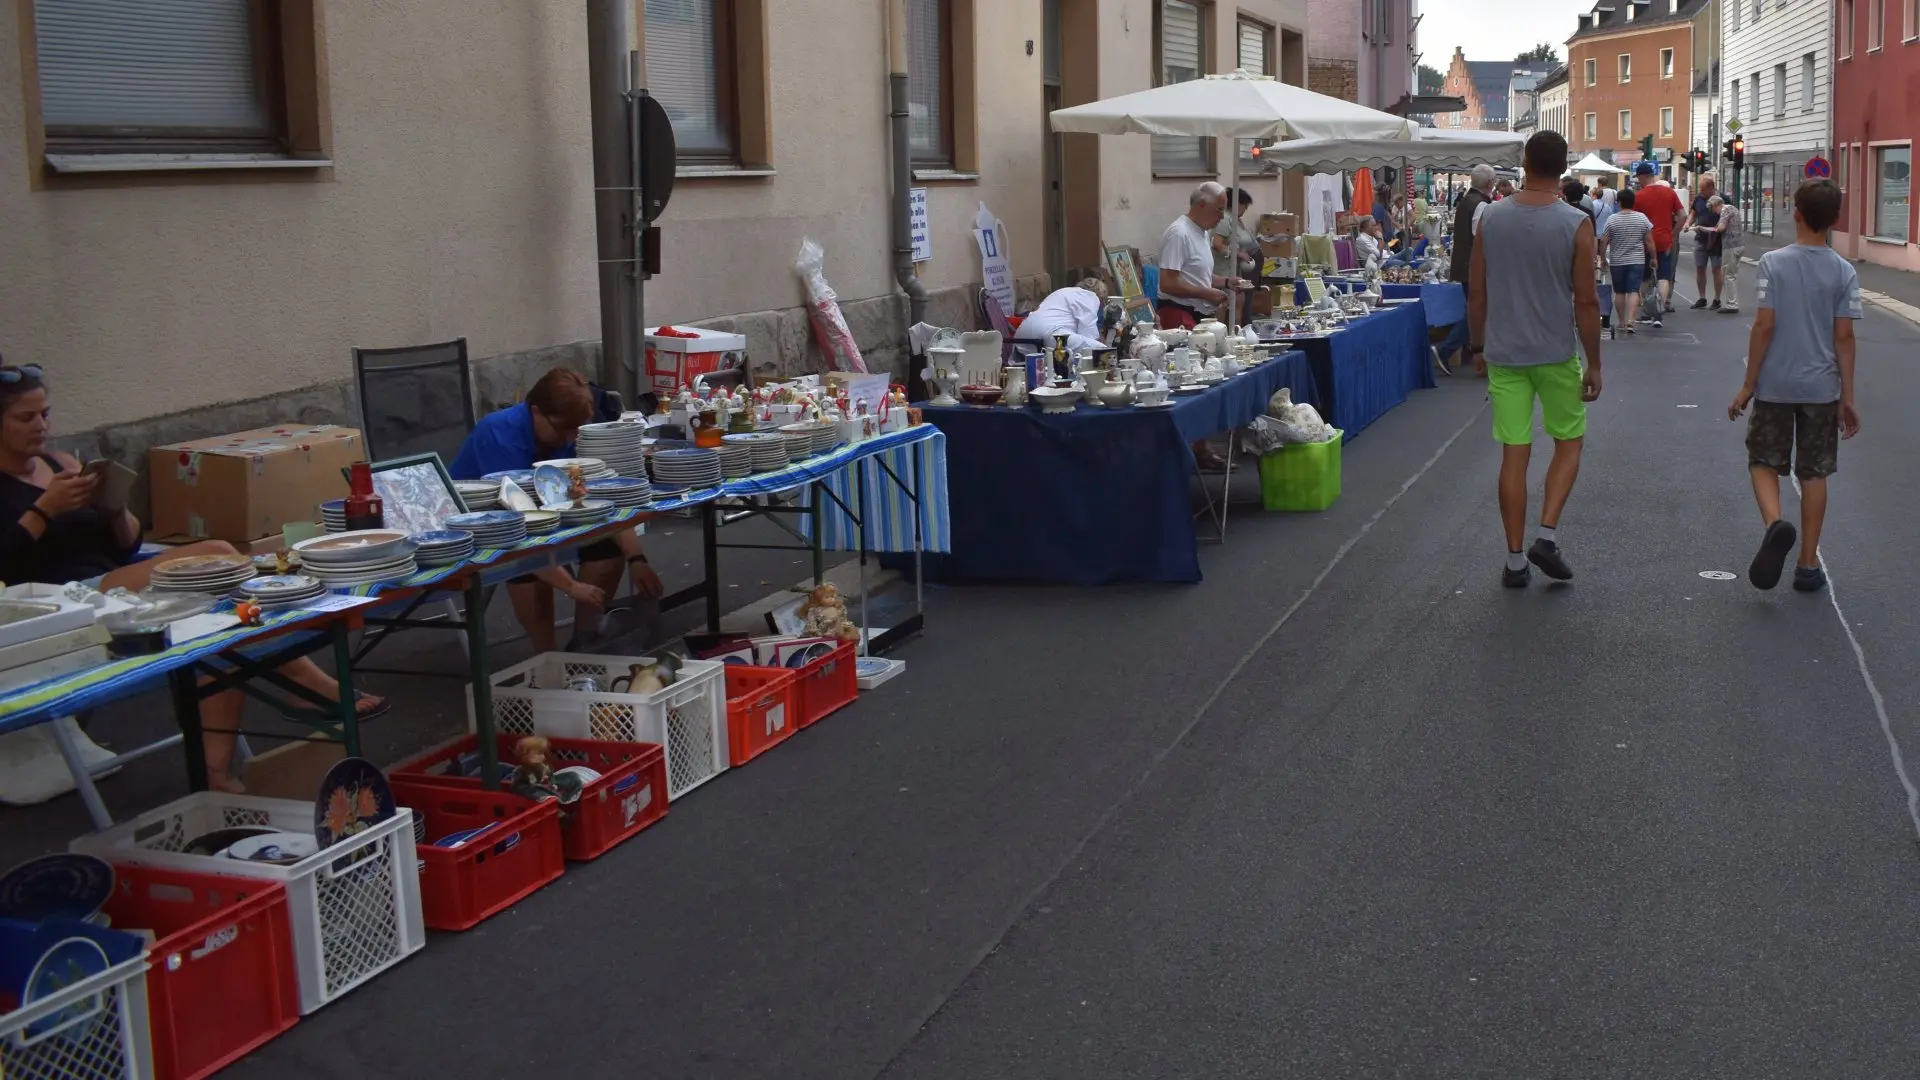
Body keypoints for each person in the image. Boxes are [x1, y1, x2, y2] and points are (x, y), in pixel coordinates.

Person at [0, 364, 384, 792]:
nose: (41, 426)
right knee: (219, 556)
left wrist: (113, 508)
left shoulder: (61, 464)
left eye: (45, 414)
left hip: (114, 580)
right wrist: (45, 509)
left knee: (219, 617)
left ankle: (215, 769)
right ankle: (302, 681)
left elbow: (125, 547)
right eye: (25, 417)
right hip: (59, 604)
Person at [1467, 130, 1604, 588]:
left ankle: (1514, 560)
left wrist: (1477, 346)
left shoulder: (1491, 217)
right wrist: (1595, 362)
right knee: (1569, 441)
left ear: (1524, 164)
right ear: (1563, 169)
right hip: (1556, 351)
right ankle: (1546, 534)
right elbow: (1586, 301)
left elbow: (1477, 291)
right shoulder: (1576, 223)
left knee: (1514, 453)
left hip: (1505, 352)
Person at [449, 366, 661, 652]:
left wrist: (637, 558)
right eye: (565, 430)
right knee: (527, 570)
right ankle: (547, 658)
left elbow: (604, 499)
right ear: (536, 412)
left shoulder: (572, 432)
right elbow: (518, 529)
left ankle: (583, 646)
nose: (572, 438)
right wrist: (572, 587)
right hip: (489, 530)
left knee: (607, 551)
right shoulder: (498, 435)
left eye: (578, 430)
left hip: (548, 518)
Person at [1727, 180, 1861, 593]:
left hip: (1776, 385)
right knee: (1815, 472)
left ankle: (1775, 524)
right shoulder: (1844, 270)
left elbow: (1764, 326)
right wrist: (1847, 397)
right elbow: (1844, 337)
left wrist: (1748, 384)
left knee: (1763, 461)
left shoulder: (1773, 263)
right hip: (1822, 388)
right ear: (1835, 219)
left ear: (1796, 213)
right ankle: (1807, 564)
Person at [1155, 182, 1248, 331]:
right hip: (1179, 316)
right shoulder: (1179, 234)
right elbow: (1167, 284)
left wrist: (1226, 282)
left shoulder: (1202, 232)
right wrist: (1207, 294)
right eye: (1219, 210)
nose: (1222, 216)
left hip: (1198, 314)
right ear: (1202, 205)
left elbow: (1198, 275)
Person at [1442, 165, 1497, 372]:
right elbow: (1480, 237)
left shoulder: (1468, 200)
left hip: (1465, 263)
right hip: (1474, 265)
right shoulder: (1480, 204)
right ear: (1490, 182)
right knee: (1477, 310)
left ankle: (1453, 348)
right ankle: (1446, 349)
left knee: (1475, 309)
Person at [1631, 162, 1684, 325]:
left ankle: (1647, 313)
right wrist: (1673, 234)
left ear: (1642, 176)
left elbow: (1634, 220)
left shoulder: (1638, 196)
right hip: (1665, 240)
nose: (1638, 181)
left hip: (1646, 241)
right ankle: (1659, 312)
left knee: (1645, 277)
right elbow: (1682, 216)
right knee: (1664, 277)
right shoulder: (1669, 192)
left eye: (1638, 177)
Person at [1599, 187, 1655, 333]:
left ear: (1619, 202)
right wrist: (1654, 257)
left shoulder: (1612, 219)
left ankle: (1622, 322)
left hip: (1617, 261)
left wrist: (1603, 258)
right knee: (1633, 291)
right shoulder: (1642, 218)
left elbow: (1604, 241)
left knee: (1619, 292)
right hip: (1637, 260)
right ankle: (1631, 321)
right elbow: (1649, 241)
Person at [1015, 278, 1111, 354]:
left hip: (1022, 335)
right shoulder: (1090, 297)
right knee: (1102, 351)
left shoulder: (1062, 292)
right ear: (1100, 296)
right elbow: (1089, 336)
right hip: (1052, 334)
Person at [1683, 175, 1725, 309]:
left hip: (1717, 240)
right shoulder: (1699, 199)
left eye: (1703, 189)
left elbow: (1728, 216)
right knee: (1700, 267)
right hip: (1701, 238)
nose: (1701, 192)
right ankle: (1702, 298)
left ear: (1711, 188)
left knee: (1716, 268)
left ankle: (1717, 299)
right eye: (1700, 189)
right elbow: (1693, 214)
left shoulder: (1722, 199)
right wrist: (1687, 224)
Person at [1211, 189, 1260, 287]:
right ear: (1237, 203)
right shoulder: (1225, 219)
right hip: (1224, 273)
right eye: (1245, 205)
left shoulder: (1237, 220)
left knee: (1243, 293)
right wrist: (1238, 254)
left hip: (1239, 271)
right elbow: (1217, 244)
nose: (1246, 208)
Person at [1709, 194, 1744, 314]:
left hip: (1730, 245)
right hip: (1739, 244)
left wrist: (1715, 228)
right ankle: (1732, 302)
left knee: (1729, 276)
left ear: (1716, 205)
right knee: (1733, 274)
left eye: (1713, 209)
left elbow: (1721, 227)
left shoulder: (1725, 210)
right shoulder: (1733, 208)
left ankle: (1732, 304)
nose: (1714, 212)